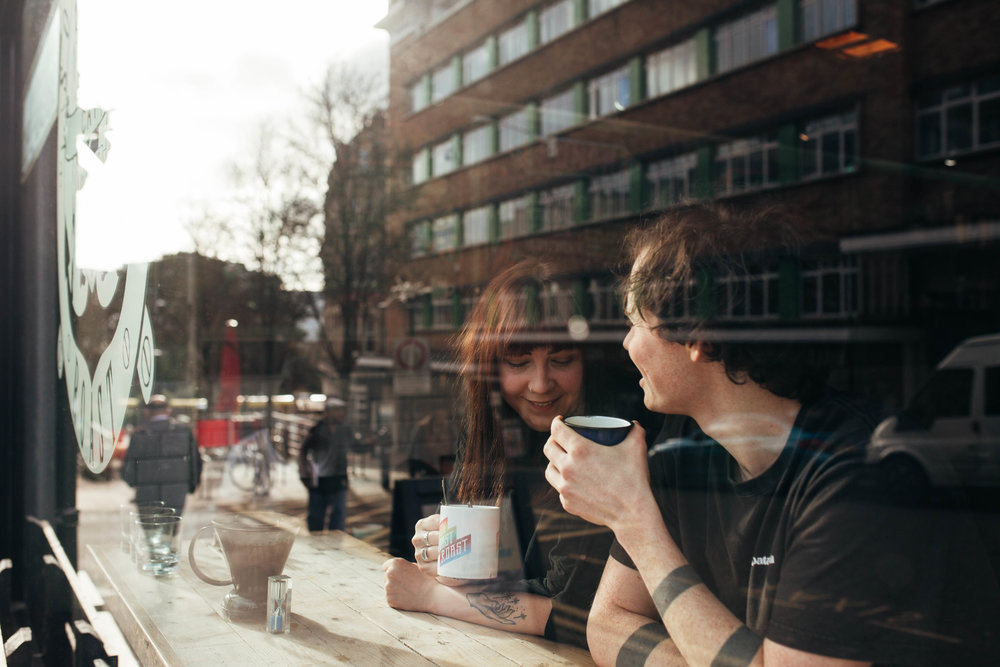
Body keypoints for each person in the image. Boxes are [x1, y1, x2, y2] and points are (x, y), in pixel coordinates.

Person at [543, 202, 1000, 666]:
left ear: (700, 337)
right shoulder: (681, 459)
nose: (626, 343)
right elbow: (607, 622)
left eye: (636, 322)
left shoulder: (860, 476)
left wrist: (635, 522)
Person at [383, 259, 653, 648]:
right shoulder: (485, 433)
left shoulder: (606, 444)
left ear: (587, 362)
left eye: (561, 360)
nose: (540, 384)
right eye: (518, 362)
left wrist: (431, 595)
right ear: (490, 365)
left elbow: (574, 611)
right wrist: (443, 553)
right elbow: (471, 572)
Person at [121, 394, 202, 513]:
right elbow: (195, 462)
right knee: (171, 527)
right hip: (176, 491)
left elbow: (128, 468)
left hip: (146, 493)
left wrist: (135, 484)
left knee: (149, 528)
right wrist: (191, 485)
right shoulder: (184, 432)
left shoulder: (139, 435)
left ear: (147, 412)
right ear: (168, 410)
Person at [299, 397, 352, 532]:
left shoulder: (344, 430)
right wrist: (304, 473)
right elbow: (302, 451)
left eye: (341, 410)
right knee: (316, 519)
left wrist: (371, 442)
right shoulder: (316, 430)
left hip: (339, 479)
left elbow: (357, 446)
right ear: (328, 412)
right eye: (337, 410)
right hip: (319, 480)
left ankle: (335, 549)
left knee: (338, 519)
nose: (340, 413)